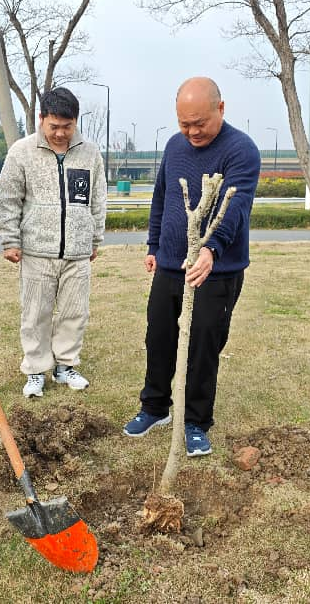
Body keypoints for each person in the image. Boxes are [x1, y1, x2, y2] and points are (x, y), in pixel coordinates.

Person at [122, 77, 260, 458]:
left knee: (203, 344)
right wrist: (153, 245)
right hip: (170, 264)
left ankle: (196, 421)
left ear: (221, 108)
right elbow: (162, 197)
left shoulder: (241, 150)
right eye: (184, 124)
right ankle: (155, 407)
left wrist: (211, 250)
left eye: (199, 123)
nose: (192, 132)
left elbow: (236, 207)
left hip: (218, 269)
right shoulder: (173, 146)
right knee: (159, 336)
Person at [0, 87, 107, 398]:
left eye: (67, 127)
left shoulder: (90, 154)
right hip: (36, 251)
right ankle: (35, 369)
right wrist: (9, 239)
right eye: (54, 126)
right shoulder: (21, 151)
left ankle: (65, 365)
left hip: (77, 252)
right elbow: (7, 199)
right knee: (35, 314)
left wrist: (94, 237)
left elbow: (97, 199)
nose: (60, 133)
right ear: (42, 118)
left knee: (75, 313)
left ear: (75, 122)